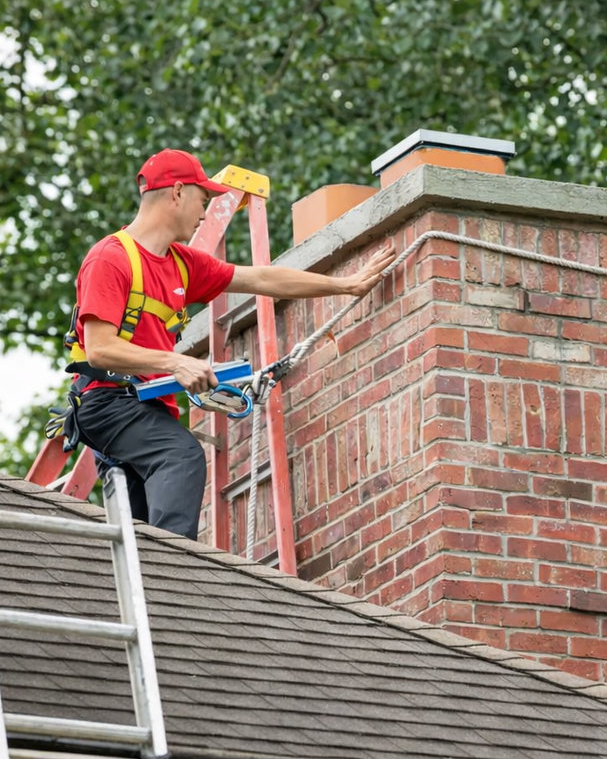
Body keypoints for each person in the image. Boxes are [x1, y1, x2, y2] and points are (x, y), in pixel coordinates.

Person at [66, 148, 395, 540]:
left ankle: (154, 591)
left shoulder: (182, 264)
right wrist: (176, 363)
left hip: (145, 410)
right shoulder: (110, 258)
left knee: (137, 533)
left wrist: (345, 284)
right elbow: (100, 349)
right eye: (202, 201)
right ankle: (175, 575)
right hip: (107, 403)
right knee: (180, 455)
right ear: (176, 193)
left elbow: (262, 280)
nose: (204, 214)